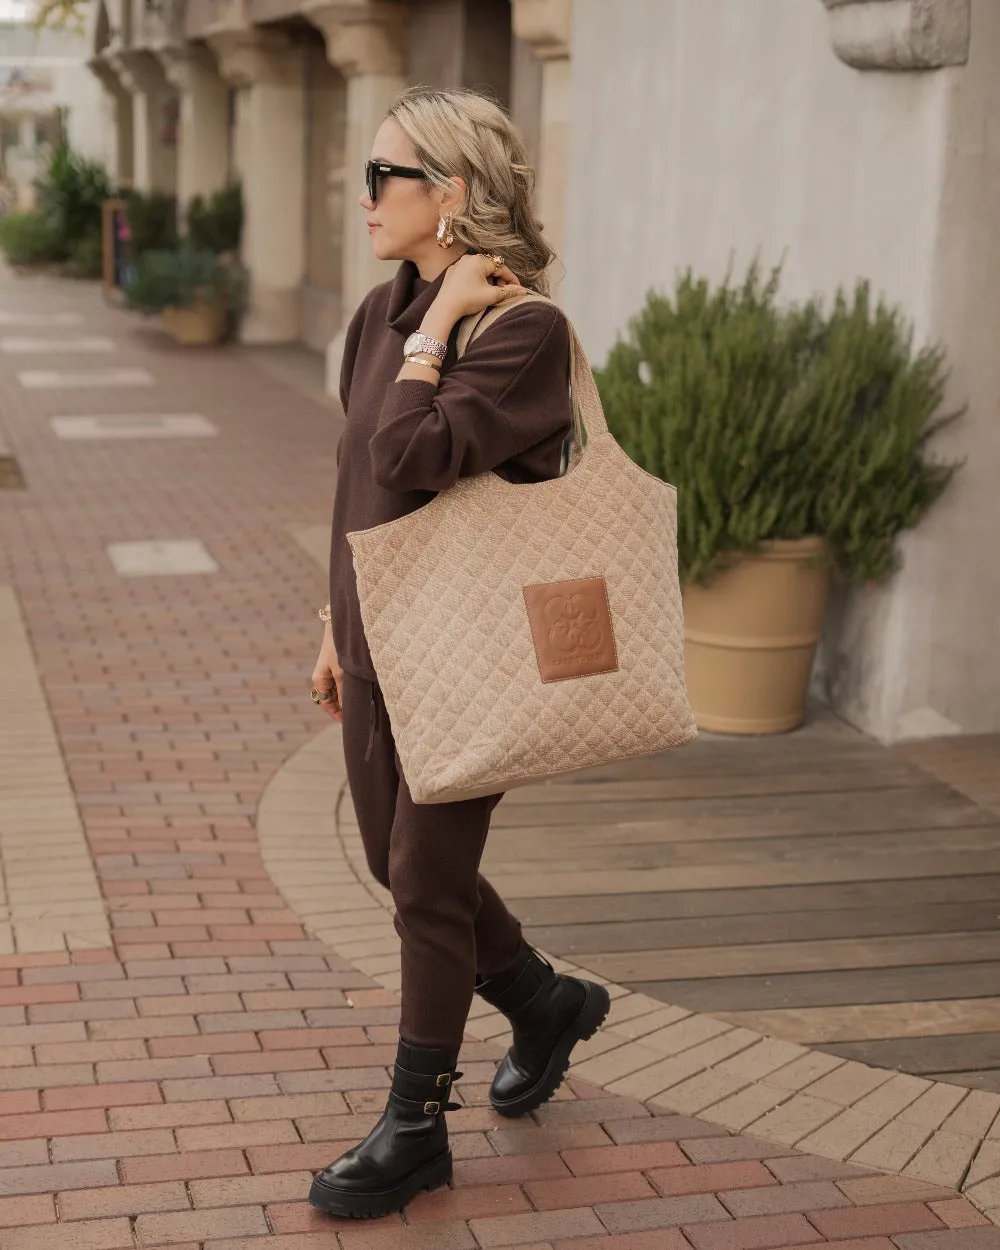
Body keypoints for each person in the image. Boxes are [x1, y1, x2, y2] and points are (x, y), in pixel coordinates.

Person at [307, 86, 610, 1221]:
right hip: (379, 638)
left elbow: (413, 445)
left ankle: (414, 1124)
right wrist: (330, 621)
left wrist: (436, 329)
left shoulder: (522, 331)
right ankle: (542, 1000)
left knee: (425, 879)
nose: (366, 192)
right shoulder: (377, 311)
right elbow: (356, 477)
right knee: (398, 866)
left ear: (453, 193)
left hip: (468, 649)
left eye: (386, 175)